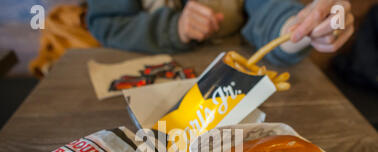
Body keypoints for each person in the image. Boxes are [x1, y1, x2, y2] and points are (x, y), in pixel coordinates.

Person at [87, 0, 354, 66]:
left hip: (229, 84)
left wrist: (305, 28)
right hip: (135, 73)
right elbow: (106, 23)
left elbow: (270, 12)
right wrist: (173, 28)